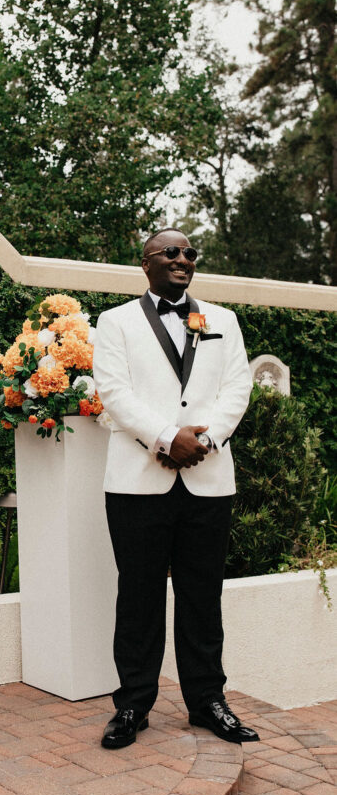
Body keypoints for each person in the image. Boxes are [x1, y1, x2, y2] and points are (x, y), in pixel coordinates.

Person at [93, 229, 259, 748]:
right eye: (171, 252)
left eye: (190, 253)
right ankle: (132, 706)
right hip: (137, 482)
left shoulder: (222, 321)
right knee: (138, 596)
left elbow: (238, 386)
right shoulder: (114, 322)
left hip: (208, 479)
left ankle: (208, 701)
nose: (183, 259)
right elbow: (115, 392)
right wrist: (165, 438)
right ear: (147, 263)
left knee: (202, 597)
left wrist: (204, 440)